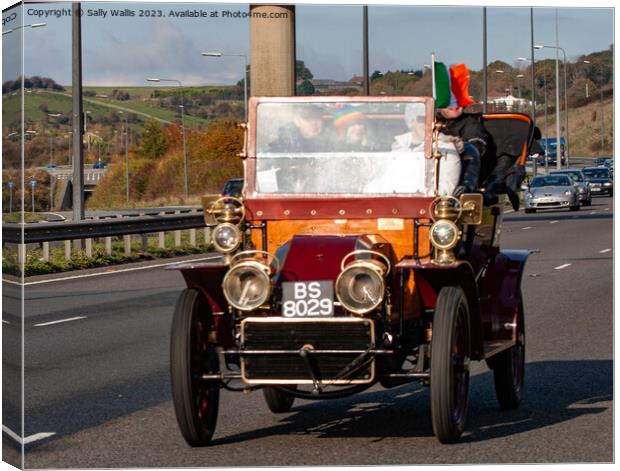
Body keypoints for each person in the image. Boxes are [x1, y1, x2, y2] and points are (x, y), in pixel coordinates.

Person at [391, 102, 461, 196]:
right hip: (395, 203)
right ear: (411, 121)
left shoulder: (445, 147)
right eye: (422, 119)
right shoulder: (398, 146)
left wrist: (414, 194)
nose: (426, 123)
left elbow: (447, 187)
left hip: (427, 204)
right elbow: (386, 180)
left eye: (431, 119)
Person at [267, 105, 335, 153]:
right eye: (308, 119)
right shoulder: (284, 144)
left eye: (317, 118)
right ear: (296, 121)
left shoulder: (333, 143)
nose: (313, 123)